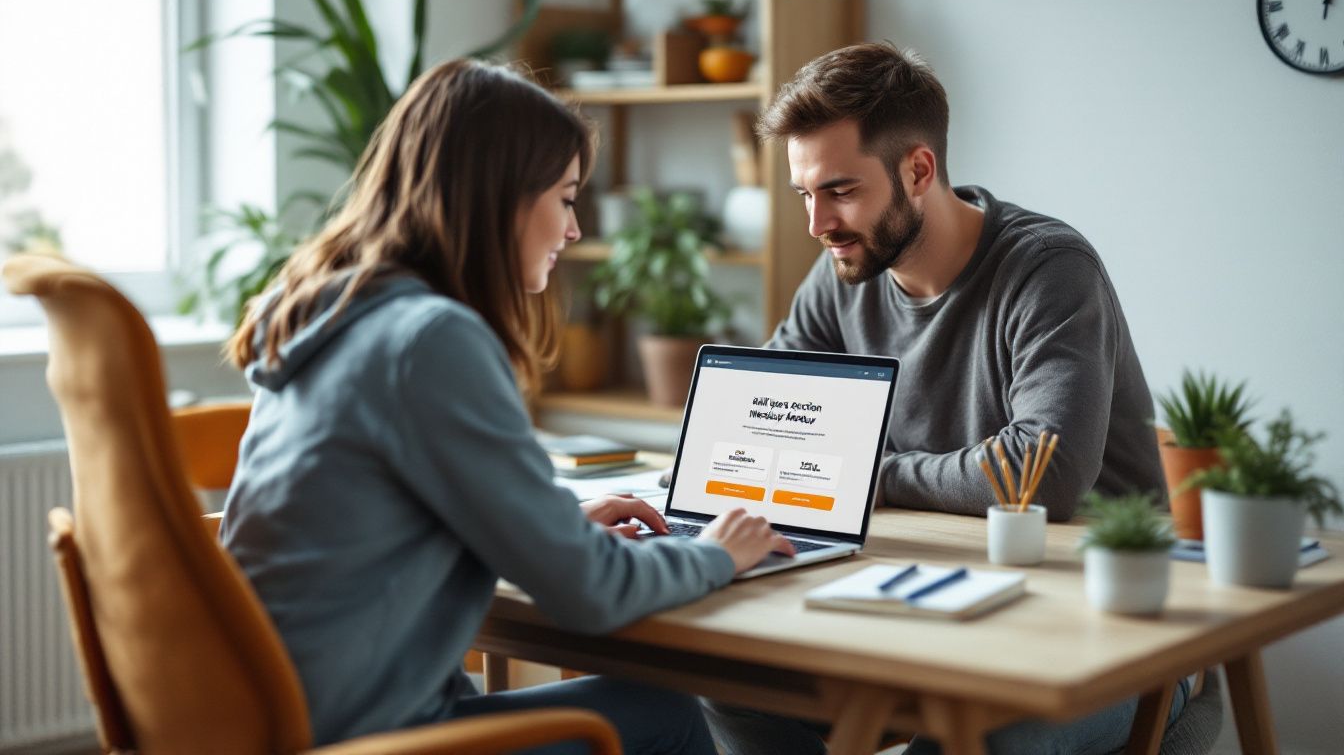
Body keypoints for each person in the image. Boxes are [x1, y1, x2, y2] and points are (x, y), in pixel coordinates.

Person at [220, 58, 792, 755]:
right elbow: (589, 594)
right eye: (567, 197)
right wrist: (715, 555)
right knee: (668, 711)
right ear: (503, 199)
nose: (574, 229)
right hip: (368, 738)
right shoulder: (429, 340)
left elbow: (369, 530)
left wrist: (543, 527)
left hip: (276, 719)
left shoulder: (335, 316)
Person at [702, 42, 1183, 755]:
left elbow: (1041, 474)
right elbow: (759, 419)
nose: (817, 224)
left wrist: (873, 473)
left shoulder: (1048, 269)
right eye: (805, 195)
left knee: (963, 741)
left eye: (840, 190)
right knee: (731, 687)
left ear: (918, 169)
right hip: (935, 616)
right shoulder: (843, 270)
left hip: (1103, 642)